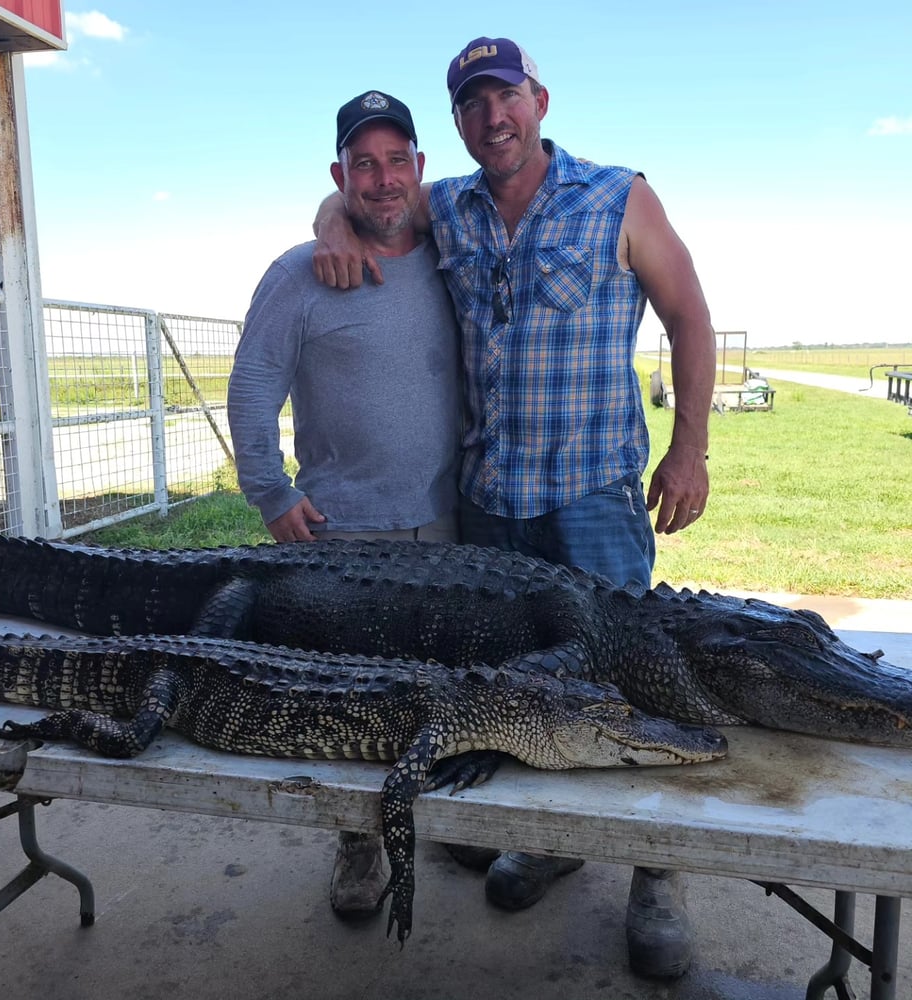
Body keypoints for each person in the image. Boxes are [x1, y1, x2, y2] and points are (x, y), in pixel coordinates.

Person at [312, 39, 716, 980]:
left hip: (594, 507)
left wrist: (689, 446)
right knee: (517, 693)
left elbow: (689, 315)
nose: (492, 117)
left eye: (506, 98)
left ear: (539, 99)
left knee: (640, 688)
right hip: (488, 510)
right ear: (457, 121)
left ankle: (658, 874)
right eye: (471, 105)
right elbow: (362, 195)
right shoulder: (446, 204)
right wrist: (332, 221)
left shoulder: (618, 195)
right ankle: (546, 840)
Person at [227, 90, 462, 920]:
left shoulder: (454, 249)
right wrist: (271, 494)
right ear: (340, 174)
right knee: (351, 698)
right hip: (344, 534)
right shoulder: (300, 273)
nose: (382, 178)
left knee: (447, 691)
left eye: (398, 159)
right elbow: (253, 388)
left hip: (450, 526)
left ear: (421, 169)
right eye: (363, 164)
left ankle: (447, 817)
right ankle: (358, 843)